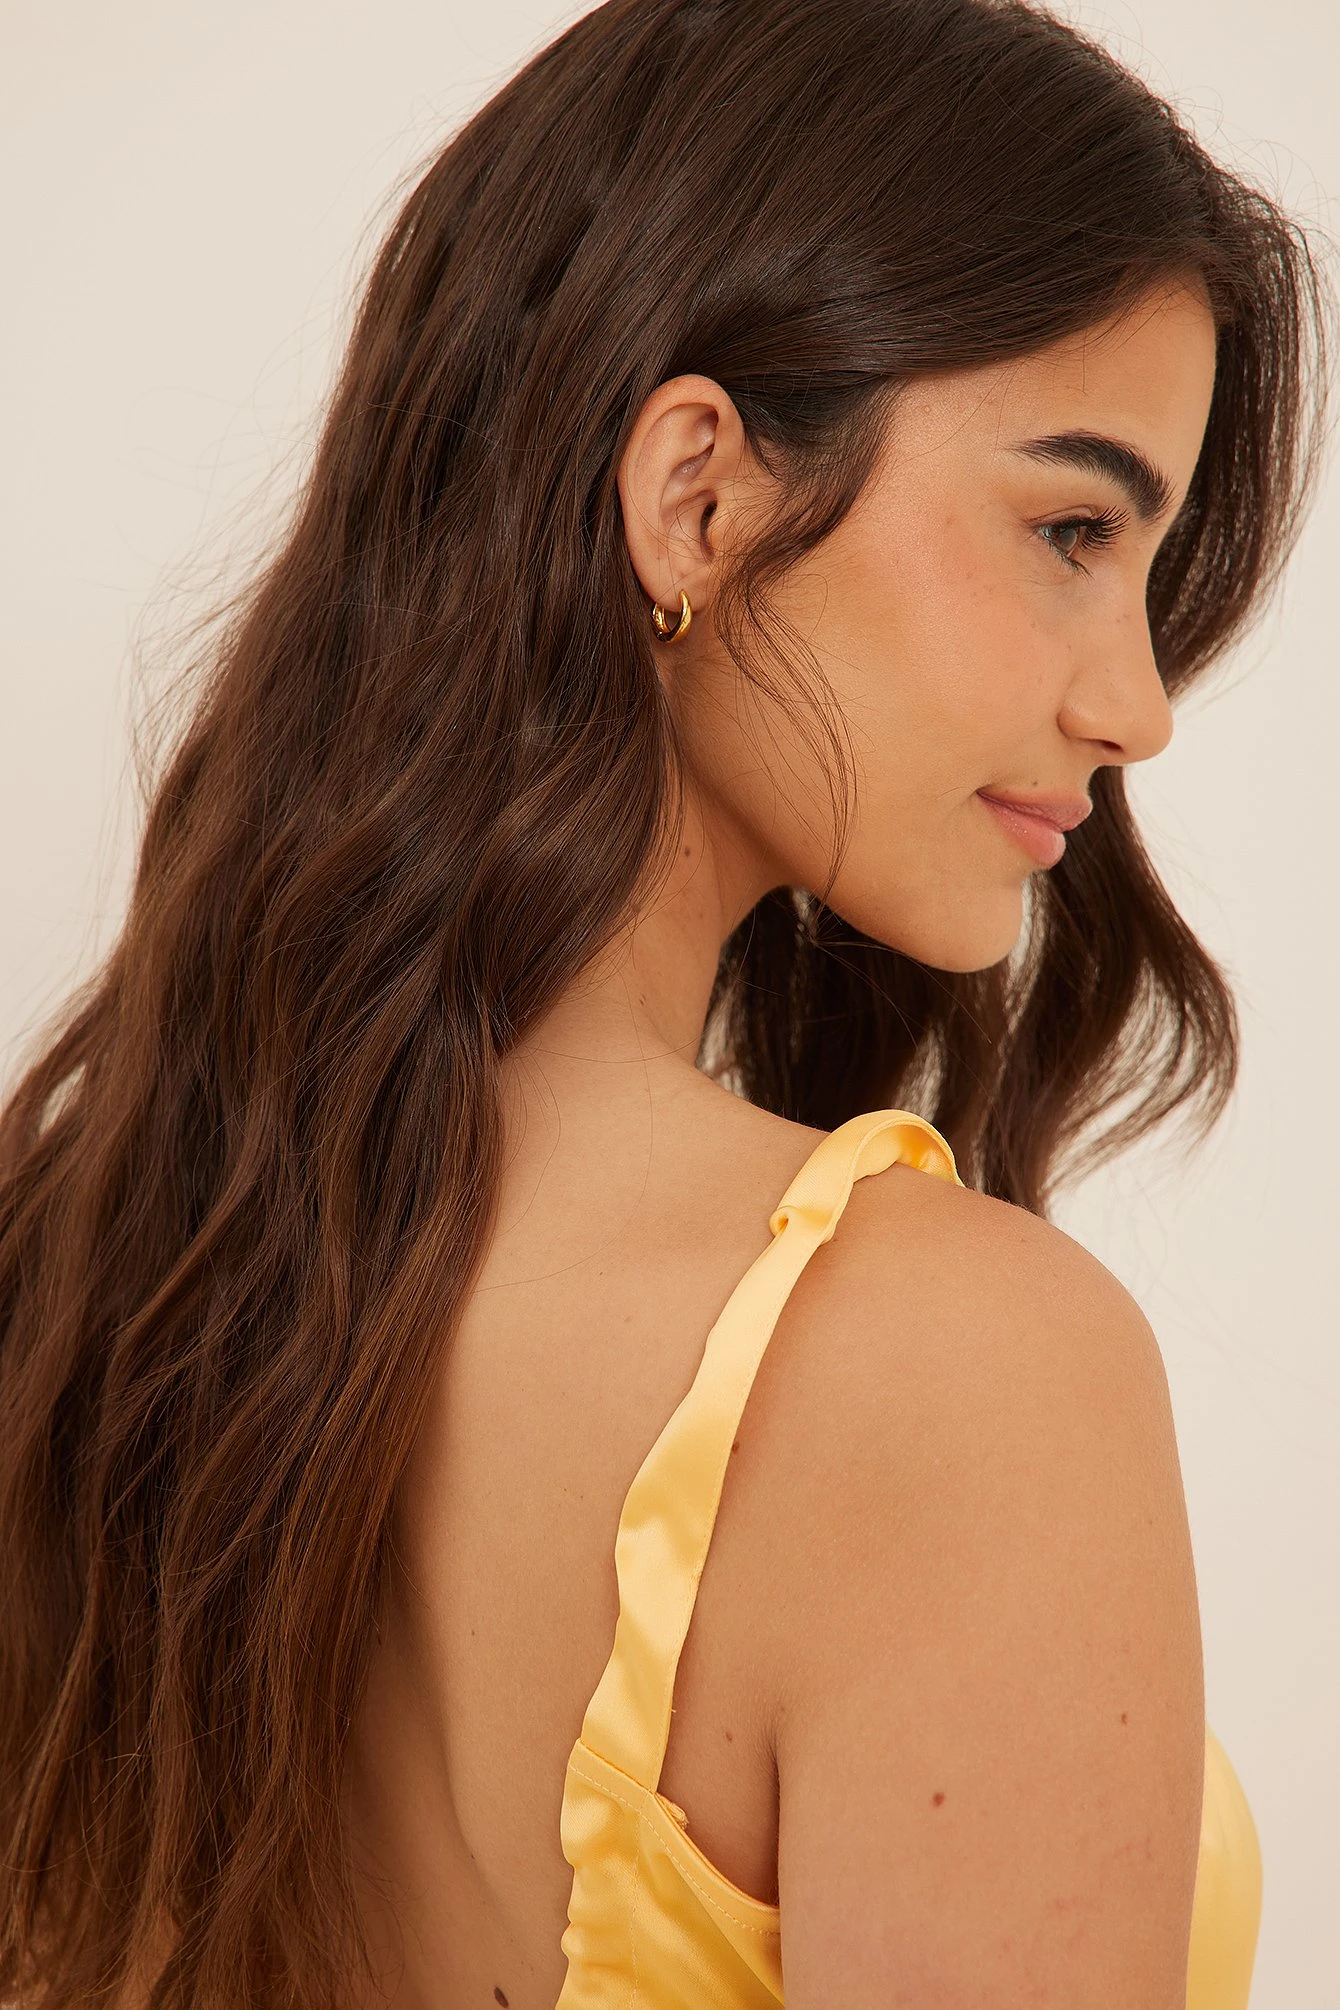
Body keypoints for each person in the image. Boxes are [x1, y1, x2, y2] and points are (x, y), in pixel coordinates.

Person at [0, 0, 1331, 2003]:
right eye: (1071, 527)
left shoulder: (97, 1267)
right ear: (695, 496)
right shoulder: (952, 1371)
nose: (1134, 706)